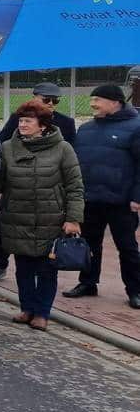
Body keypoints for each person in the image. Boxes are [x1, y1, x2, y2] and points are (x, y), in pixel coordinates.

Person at [0, 99, 84, 329]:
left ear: (43, 125)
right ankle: (26, 308)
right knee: (23, 269)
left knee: (47, 270)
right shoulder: (9, 147)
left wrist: (73, 218)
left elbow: (75, 186)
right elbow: (2, 180)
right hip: (17, 218)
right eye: (20, 120)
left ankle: (42, 313)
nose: (22, 125)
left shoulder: (63, 148)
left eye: (28, 121)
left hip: (51, 219)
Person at [0, 82, 77, 283]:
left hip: (47, 191)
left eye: (55, 100)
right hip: (17, 186)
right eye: (46, 99)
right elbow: (4, 145)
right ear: (35, 97)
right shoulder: (19, 120)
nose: (51, 103)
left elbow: (71, 160)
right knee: (5, 228)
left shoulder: (65, 123)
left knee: (45, 240)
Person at [63, 84, 140, 308]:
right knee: (89, 244)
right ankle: (87, 282)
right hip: (90, 199)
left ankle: (135, 290)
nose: (92, 104)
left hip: (122, 201)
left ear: (115, 102)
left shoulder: (136, 128)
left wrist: (137, 197)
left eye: (98, 100)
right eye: (92, 99)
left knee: (127, 247)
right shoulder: (86, 129)